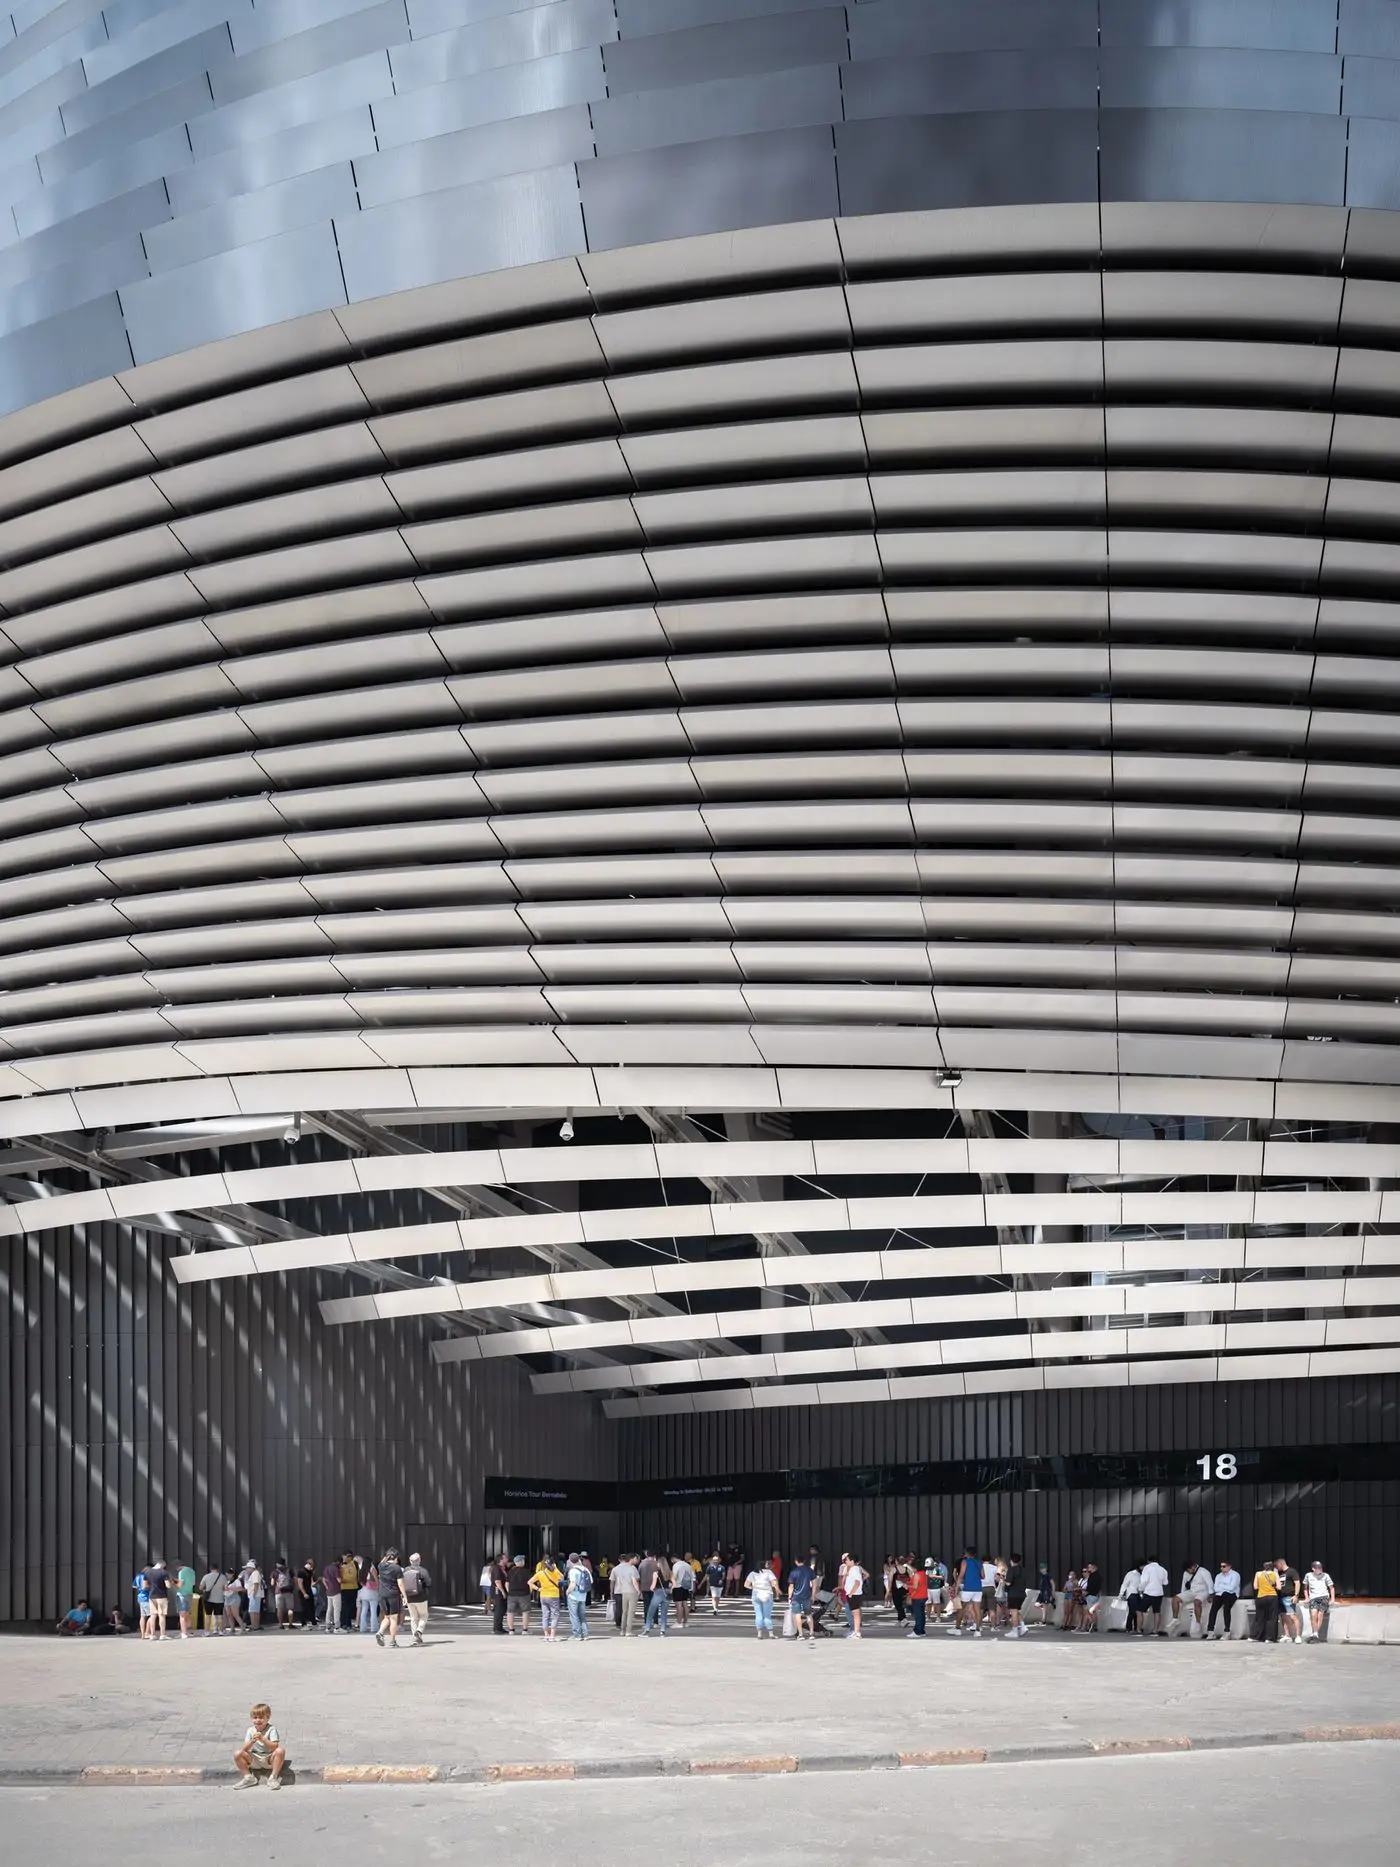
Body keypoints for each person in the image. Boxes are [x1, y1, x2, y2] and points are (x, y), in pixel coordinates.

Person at [234, 1702, 286, 1791]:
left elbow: (275, 1747)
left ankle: (273, 1777)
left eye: (261, 1718)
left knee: (280, 1751)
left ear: (268, 1718)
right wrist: (252, 1741)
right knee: (238, 1753)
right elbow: (244, 1749)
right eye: (255, 1718)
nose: (258, 1720)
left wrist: (263, 1740)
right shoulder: (250, 1730)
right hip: (255, 1759)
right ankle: (249, 1778)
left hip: (269, 1759)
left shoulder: (271, 1729)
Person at [529, 1553, 563, 1642]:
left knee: (545, 1615)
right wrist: (556, 1568)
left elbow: (529, 1582)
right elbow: (562, 1578)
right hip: (554, 1596)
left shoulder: (540, 1573)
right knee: (554, 1615)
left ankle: (546, 1635)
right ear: (553, 1564)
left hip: (543, 1595)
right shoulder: (555, 1572)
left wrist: (538, 1589)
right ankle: (552, 1636)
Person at [400, 1551, 432, 1646]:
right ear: (419, 1560)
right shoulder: (423, 1570)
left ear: (410, 1561)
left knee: (413, 1618)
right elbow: (429, 1583)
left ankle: (415, 1638)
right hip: (421, 1597)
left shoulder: (405, 1570)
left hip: (409, 1597)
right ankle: (419, 1630)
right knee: (424, 1615)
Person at [376, 1547, 405, 1648]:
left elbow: (382, 1561)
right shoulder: (397, 1568)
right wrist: (405, 1596)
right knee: (393, 1619)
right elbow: (400, 1584)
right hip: (393, 1595)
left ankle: (380, 1632)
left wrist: (387, 1556)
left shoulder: (380, 1566)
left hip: (382, 1595)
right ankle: (392, 1641)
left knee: (386, 1617)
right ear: (396, 1558)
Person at [950, 1548, 982, 1637]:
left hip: (968, 1588)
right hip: (978, 1589)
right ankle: (978, 1631)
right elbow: (983, 1576)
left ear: (967, 1554)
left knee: (961, 1609)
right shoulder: (979, 1563)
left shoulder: (965, 1561)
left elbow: (961, 1575)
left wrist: (956, 1587)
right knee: (977, 1610)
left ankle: (957, 1629)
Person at [1207, 1560, 1242, 1638]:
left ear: (1229, 1567)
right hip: (1220, 1594)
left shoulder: (1235, 1575)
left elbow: (1232, 1588)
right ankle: (1210, 1631)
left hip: (1231, 1594)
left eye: (1224, 1566)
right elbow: (1215, 1588)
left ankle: (1227, 1631)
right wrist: (1224, 1587)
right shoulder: (1218, 1576)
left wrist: (1221, 1587)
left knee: (1226, 1609)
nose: (1222, 1568)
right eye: (1221, 1566)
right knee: (1213, 1610)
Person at [745, 1558, 778, 1638]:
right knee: (767, 1615)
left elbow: (746, 1585)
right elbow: (774, 1583)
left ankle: (759, 1634)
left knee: (758, 1614)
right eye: (767, 1564)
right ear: (764, 1565)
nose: (768, 1565)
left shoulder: (752, 1573)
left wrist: (754, 1588)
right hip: (767, 1594)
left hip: (756, 1594)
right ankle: (771, 1633)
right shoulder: (768, 1572)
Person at [640, 1550, 670, 1636]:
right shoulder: (669, 1573)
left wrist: (652, 1588)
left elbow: (652, 1586)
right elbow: (674, 1583)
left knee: (650, 1610)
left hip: (655, 1592)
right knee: (664, 1613)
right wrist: (669, 1589)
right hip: (666, 1593)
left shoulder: (654, 1572)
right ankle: (662, 1631)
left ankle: (647, 1629)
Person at [611, 1551, 641, 1637]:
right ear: (633, 1558)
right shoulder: (632, 1568)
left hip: (623, 1591)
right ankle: (629, 1631)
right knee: (631, 1612)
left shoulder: (618, 1569)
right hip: (632, 1591)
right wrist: (638, 1590)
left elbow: (618, 1581)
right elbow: (635, 1581)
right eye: (636, 1559)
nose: (636, 1561)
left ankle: (622, 1630)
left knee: (624, 1612)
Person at [788, 1554, 816, 1644]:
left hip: (796, 1597)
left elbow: (791, 1586)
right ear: (804, 1561)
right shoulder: (810, 1570)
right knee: (809, 1614)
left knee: (797, 1615)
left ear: (796, 1561)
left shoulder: (793, 1572)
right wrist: (813, 1595)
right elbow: (814, 1583)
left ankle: (800, 1634)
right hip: (807, 1596)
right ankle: (811, 1633)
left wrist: (789, 1597)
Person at [1179, 1561, 1211, 1638]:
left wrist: (1211, 1594)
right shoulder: (1186, 1573)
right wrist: (1182, 1596)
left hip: (1203, 1592)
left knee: (1197, 1602)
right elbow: (1183, 1585)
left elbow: (1210, 1584)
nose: (1188, 1572)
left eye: (1189, 1570)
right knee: (1176, 1599)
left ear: (1193, 1567)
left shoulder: (1204, 1571)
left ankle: (1198, 1623)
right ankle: (1175, 1620)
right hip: (1192, 1592)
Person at [1304, 1560, 1335, 1640]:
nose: (1320, 1570)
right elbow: (1305, 1588)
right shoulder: (1308, 1575)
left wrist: (1332, 1599)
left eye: (1320, 1568)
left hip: (1323, 1597)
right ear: (1313, 1569)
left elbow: (1331, 1588)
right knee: (1313, 1615)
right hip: (1313, 1597)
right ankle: (1315, 1632)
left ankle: (1315, 1633)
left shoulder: (1325, 1575)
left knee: (1320, 1615)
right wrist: (1307, 1598)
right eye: (1318, 1568)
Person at [1251, 1559, 1280, 1643]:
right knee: (1272, 1618)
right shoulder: (1275, 1574)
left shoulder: (1258, 1574)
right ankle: (1269, 1638)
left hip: (1261, 1596)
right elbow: (1279, 1587)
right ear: (1272, 1567)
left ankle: (1255, 1636)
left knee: (1259, 1617)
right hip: (1272, 1596)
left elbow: (1255, 1587)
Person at [1139, 1557, 1169, 1636]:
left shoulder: (1147, 1568)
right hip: (1159, 1593)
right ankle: (1155, 1630)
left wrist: (1140, 1589)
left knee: (1140, 1611)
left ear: (1149, 1561)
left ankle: (1139, 1630)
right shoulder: (1163, 1570)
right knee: (1157, 1612)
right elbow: (1165, 1582)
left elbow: (1144, 1580)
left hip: (1149, 1592)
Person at [565, 1552, 592, 1641]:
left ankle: (577, 1635)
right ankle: (585, 1634)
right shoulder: (585, 1569)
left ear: (570, 1561)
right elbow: (591, 1582)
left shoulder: (573, 1570)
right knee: (582, 1616)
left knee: (574, 1616)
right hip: (583, 1596)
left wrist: (568, 1591)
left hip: (573, 1596)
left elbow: (572, 1584)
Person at [142, 1558, 169, 1640]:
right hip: (161, 1596)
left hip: (151, 1596)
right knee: (161, 1615)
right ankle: (162, 1634)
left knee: (153, 1615)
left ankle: (152, 1635)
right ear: (162, 1565)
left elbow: (144, 1586)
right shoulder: (163, 1572)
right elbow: (168, 1585)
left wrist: (152, 1586)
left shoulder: (147, 1572)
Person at [1276, 1557, 1302, 1644]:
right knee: (1283, 1616)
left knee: (1292, 1616)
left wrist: (1296, 1595)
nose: (1276, 1567)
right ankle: (1287, 1635)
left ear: (1281, 1563)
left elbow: (1297, 1583)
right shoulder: (1279, 1573)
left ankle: (1298, 1636)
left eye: (1277, 1565)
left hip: (1289, 1597)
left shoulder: (1292, 1571)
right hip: (1281, 1597)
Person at [505, 1555, 531, 1635]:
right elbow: (530, 1583)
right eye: (523, 1560)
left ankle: (511, 1630)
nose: (524, 1561)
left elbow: (506, 1584)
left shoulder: (510, 1572)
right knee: (525, 1612)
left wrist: (509, 1591)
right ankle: (524, 1630)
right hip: (524, 1594)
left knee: (510, 1612)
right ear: (521, 1562)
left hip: (512, 1595)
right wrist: (530, 1592)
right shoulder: (527, 1571)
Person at [199, 1564, 227, 1636]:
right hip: (219, 1599)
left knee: (208, 1616)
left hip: (208, 1600)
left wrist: (206, 1589)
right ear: (218, 1569)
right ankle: (220, 1631)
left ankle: (207, 1632)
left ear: (210, 1569)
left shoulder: (206, 1576)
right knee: (219, 1616)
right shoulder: (223, 1577)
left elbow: (200, 1588)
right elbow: (225, 1588)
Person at [842, 1555, 867, 1637]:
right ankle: (856, 1632)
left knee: (855, 1614)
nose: (846, 1561)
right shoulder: (854, 1569)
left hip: (854, 1594)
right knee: (855, 1613)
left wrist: (851, 1593)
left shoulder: (854, 1569)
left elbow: (857, 1582)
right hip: (854, 1594)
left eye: (848, 1560)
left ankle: (857, 1632)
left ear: (852, 1561)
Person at [1003, 1552, 1026, 1639]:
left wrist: (1002, 1580)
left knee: (1013, 1613)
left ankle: (1015, 1631)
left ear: (1011, 1561)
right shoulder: (1023, 1570)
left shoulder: (1011, 1570)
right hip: (1022, 1594)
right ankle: (1023, 1626)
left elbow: (1008, 1583)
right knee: (1016, 1611)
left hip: (1013, 1593)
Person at [906, 1557, 929, 1638]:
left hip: (917, 1596)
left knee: (918, 1615)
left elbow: (915, 1587)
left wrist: (906, 1585)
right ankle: (922, 1630)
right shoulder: (923, 1573)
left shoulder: (917, 1574)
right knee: (921, 1614)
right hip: (924, 1595)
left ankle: (917, 1631)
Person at [1117, 1563, 1143, 1635]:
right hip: (1132, 1594)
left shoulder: (1142, 1574)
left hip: (1139, 1594)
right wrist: (1121, 1593)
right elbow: (1125, 1584)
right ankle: (1129, 1628)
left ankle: (1136, 1627)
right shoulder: (1131, 1574)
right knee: (1132, 1611)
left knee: (1137, 1612)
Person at [671, 1552, 696, 1628]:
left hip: (678, 1586)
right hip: (686, 1586)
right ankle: (685, 1622)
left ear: (673, 1559)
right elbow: (692, 1576)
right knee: (685, 1604)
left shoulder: (676, 1565)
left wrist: (672, 1585)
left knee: (679, 1605)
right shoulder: (687, 1565)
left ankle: (679, 1622)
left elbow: (674, 1576)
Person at [174, 1563, 196, 1639]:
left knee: (182, 1615)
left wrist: (174, 1582)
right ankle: (190, 1631)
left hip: (182, 1594)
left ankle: (183, 1633)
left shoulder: (181, 1572)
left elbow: (180, 1584)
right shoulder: (192, 1571)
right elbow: (193, 1583)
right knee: (187, 1613)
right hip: (190, 1593)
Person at [339, 1553, 360, 1630]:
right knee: (345, 1607)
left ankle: (348, 1624)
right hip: (344, 1588)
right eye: (344, 1557)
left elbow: (354, 1576)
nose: (345, 1558)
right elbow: (340, 1577)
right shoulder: (341, 1566)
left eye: (347, 1557)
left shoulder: (353, 1564)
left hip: (353, 1588)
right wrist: (345, 1580)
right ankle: (343, 1623)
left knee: (350, 1607)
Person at [358, 1559, 380, 1634]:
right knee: (373, 1610)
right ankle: (374, 1627)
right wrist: (378, 1587)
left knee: (364, 1610)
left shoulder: (361, 1570)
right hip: (372, 1591)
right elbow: (376, 1579)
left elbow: (360, 1582)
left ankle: (362, 1627)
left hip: (364, 1591)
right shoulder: (372, 1569)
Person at [272, 1559, 295, 1630]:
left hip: (279, 1592)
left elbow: (272, 1583)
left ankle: (280, 1625)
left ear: (277, 1564)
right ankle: (290, 1624)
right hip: (289, 1591)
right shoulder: (290, 1570)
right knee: (290, 1609)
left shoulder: (275, 1572)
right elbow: (295, 1580)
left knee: (279, 1609)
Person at [223, 1564, 246, 1634]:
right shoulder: (226, 1581)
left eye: (229, 1573)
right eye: (227, 1573)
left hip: (234, 1598)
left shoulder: (236, 1581)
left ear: (232, 1574)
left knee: (235, 1614)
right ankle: (232, 1628)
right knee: (229, 1615)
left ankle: (242, 1627)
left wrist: (230, 1588)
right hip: (226, 1598)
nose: (227, 1574)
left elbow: (241, 1589)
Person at [1080, 1562, 1102, 1634]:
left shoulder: (1093, 1576)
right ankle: (1093, 1624)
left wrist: (1087, 1592)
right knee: (1090, 1610)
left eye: (1089, 1567)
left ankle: (1093, 1623)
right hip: (1094, 1595)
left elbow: (1091, 1586)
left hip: (1091, 1595)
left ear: (1093, 1567)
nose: (1088, 1569)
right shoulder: (1098, 1576)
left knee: (1090, 1611)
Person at [1032, 1561, 1056, 1628]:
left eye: (1043, 1568)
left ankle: (1044, 1619)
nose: (1041, 1570)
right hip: (1042, 1592)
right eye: (1041, 1568)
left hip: (1046, 1592)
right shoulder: (1042, 1576)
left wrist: (1052, 1593)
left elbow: (1053, 1584)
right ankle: (1044, 1616)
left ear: (1046, 1568)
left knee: (1045, 1605)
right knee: (1037, 1604)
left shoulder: (1048, 1576)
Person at [245, 1561, 265, 1631]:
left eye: (247, 1568)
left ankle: (254, 1626)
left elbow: (256, 1584)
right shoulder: (256, 1573)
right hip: (256, 1595)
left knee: (252, 1611)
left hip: (254, 1595)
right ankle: (256, 1626)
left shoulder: (255, 1574)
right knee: (256, 1611)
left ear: (251, 1568)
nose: (246, 1570)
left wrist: (253, 1593)